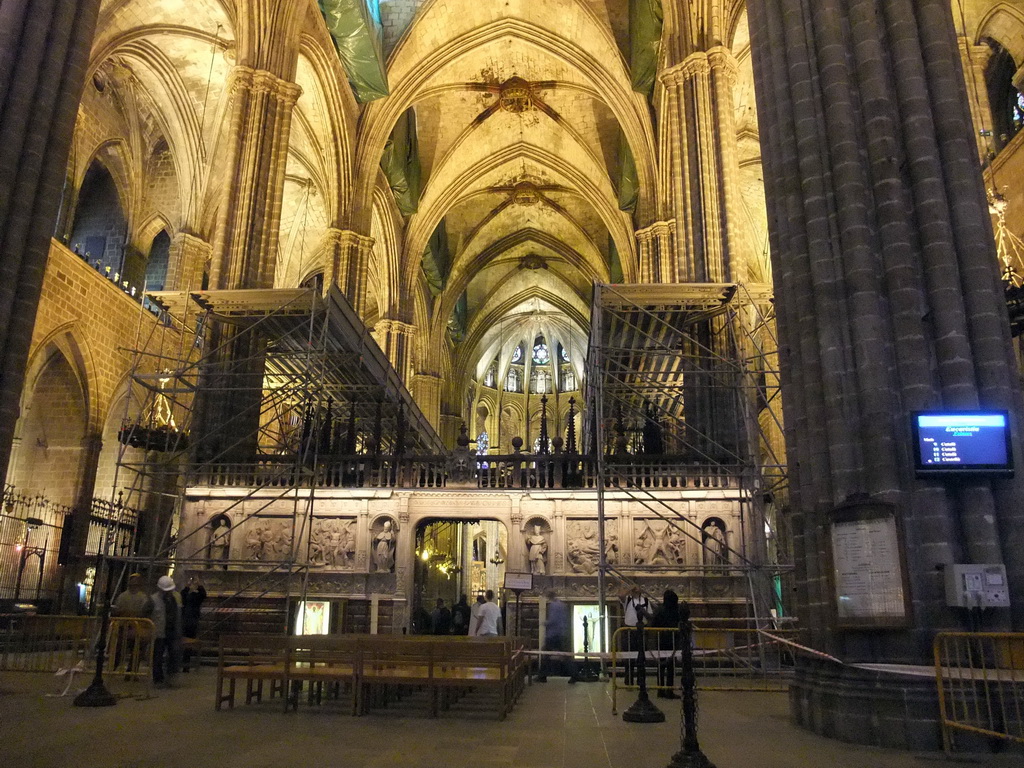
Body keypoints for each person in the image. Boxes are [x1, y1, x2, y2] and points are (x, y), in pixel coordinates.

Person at [151, 575, 182, 687]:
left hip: (171, 631)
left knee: (173, 654)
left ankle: (170, 677)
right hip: (159, 632)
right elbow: (146, 614)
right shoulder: (153, 600)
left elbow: (177, 615)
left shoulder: (174, 599)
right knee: (158, 656)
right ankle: (158, 679)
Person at [536, 590, 575, 682]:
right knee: (565, 656)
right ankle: (574, 674)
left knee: (546, 655)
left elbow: (553, 620)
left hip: (553, 634)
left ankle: (542, 676)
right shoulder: (562, 605)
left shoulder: (553, 606)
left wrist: (544, 623)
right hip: (562, 633)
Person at [650, 588, 681, 698]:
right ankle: (669, 689)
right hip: (672, 639)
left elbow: (653, 623)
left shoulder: (660, 609)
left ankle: (660, 689)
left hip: (661, 638)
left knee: (661, 666)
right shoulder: (676, 610)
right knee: (671, 666)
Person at [180, 575, 206, 671]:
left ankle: (185, 664)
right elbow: (182, 594)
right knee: (185, 642)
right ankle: (184, 663)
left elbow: (203, 595)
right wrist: (197, 585)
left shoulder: (195, 597)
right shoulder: (187, 596)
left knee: (188, 643)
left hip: (190, 621)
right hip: (188, 620)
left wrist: (195, 585)